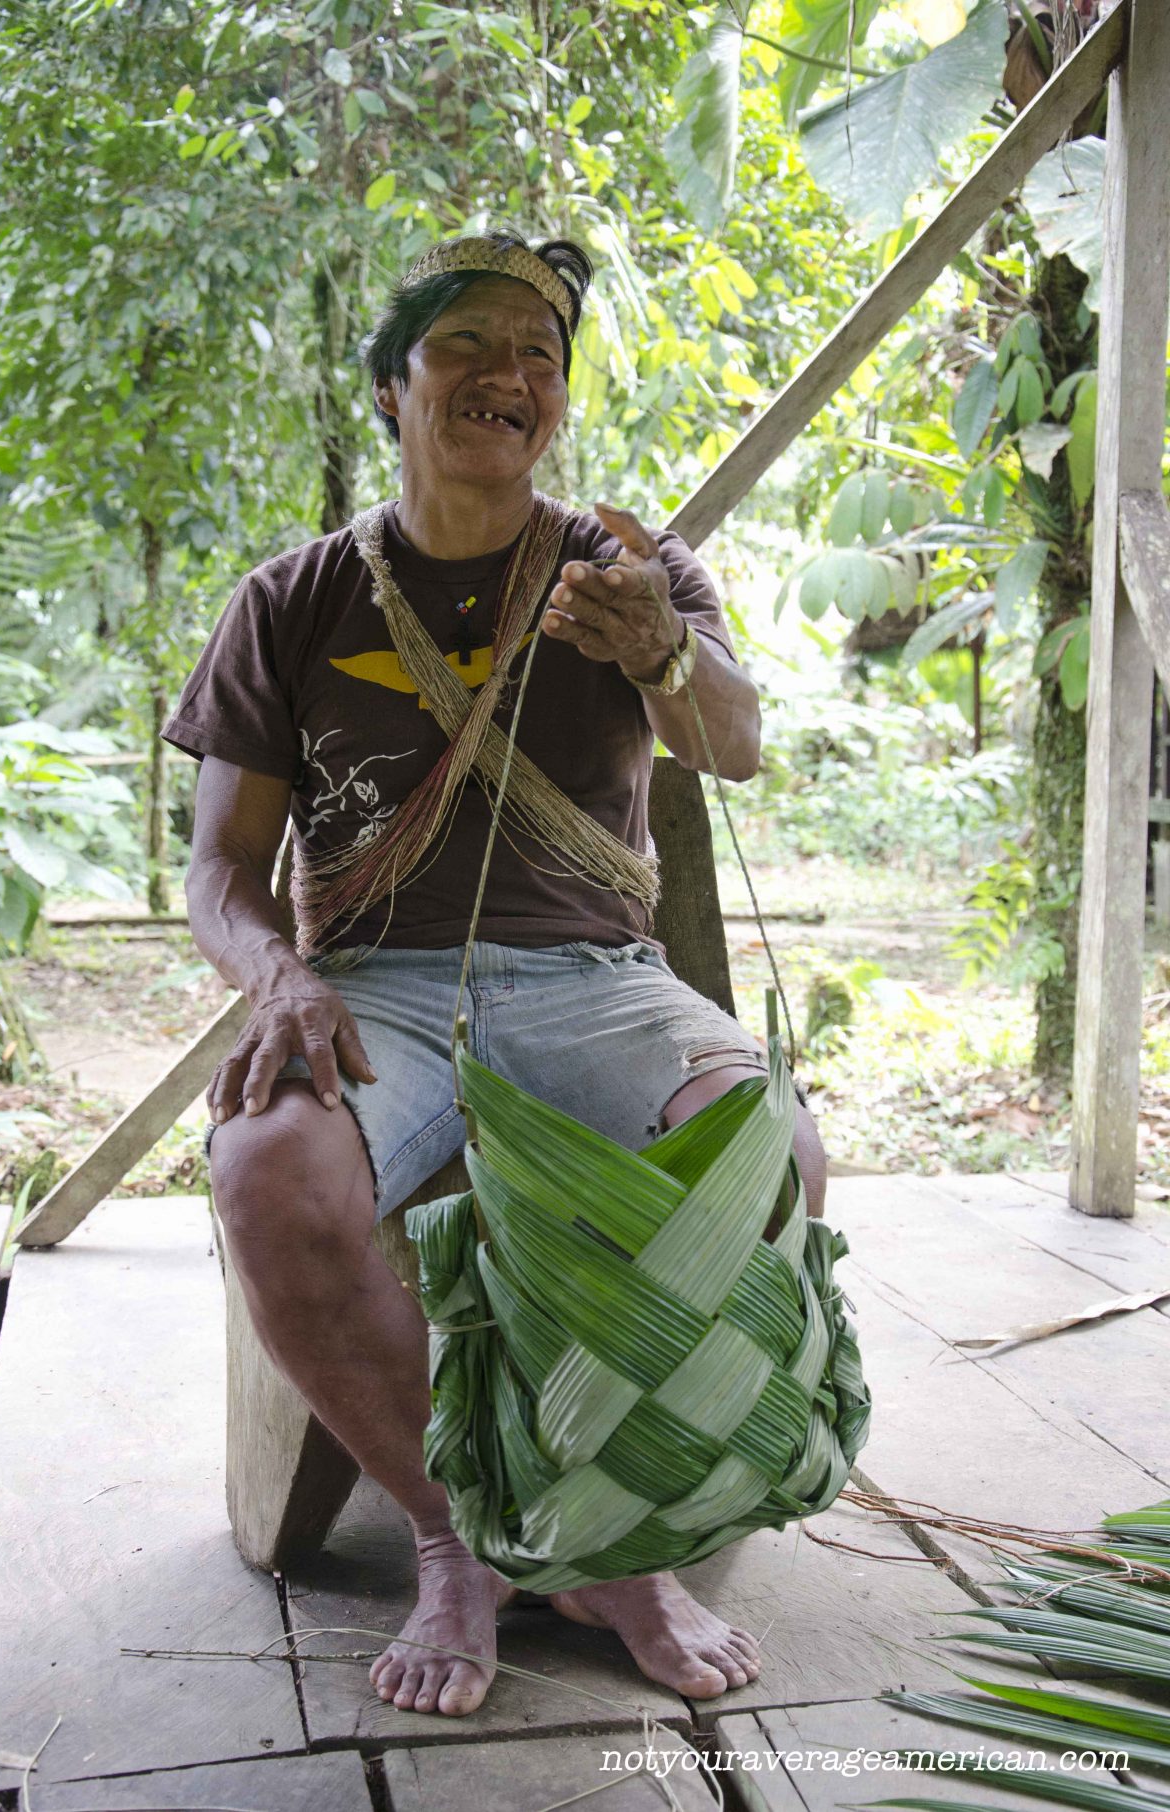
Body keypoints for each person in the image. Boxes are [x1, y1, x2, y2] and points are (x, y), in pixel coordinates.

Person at [164, 230, 826, 1720]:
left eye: (539, 354)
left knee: (771, 1160)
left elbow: (738, 743)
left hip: (601, 982)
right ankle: (459, 1536)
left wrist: (667, 650)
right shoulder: (294, 600)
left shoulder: (633, 573)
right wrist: (276, 979)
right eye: (465, 345)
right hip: (382, 989)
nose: (508, 377)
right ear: (392, 389)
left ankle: (612, 1535)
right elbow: (218, 876)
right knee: (269, 1167)